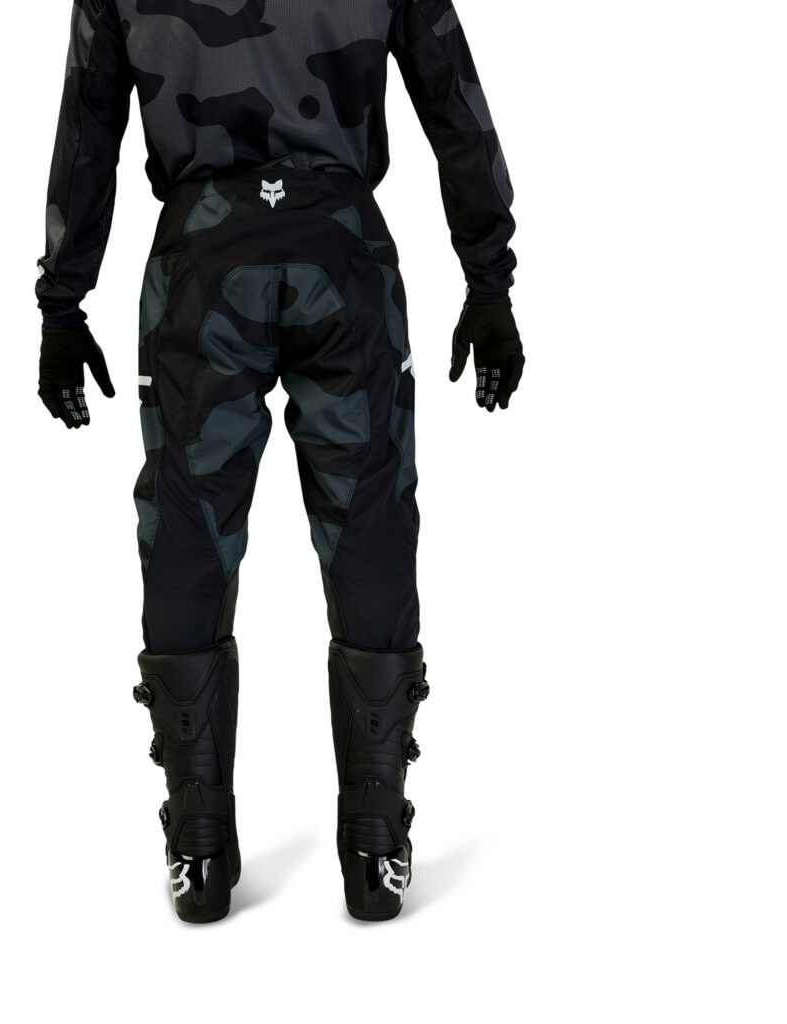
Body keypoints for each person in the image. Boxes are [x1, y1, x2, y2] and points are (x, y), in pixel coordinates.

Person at [35, 0, 524, 923]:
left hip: (200, 263)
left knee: (187, 531)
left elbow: (88, 125)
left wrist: (64, 300)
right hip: (343, 255)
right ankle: (374, 842)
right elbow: (452, 100)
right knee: (370, 525)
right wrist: (488, 277)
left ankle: (199, 846)